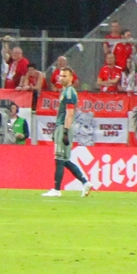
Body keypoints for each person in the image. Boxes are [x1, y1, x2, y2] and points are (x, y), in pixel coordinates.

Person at [41, 68, 92, 198]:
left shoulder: (70, 93)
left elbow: (69, 114)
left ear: (71, 78)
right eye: (60, 76)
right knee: (64, 160)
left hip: (64, 127)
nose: (61, 78)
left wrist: (65, 131)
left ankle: (57, 189)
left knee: (59, 159)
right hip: (61, 127)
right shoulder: (65, 91)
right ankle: (85, 182)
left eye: (64, 76)